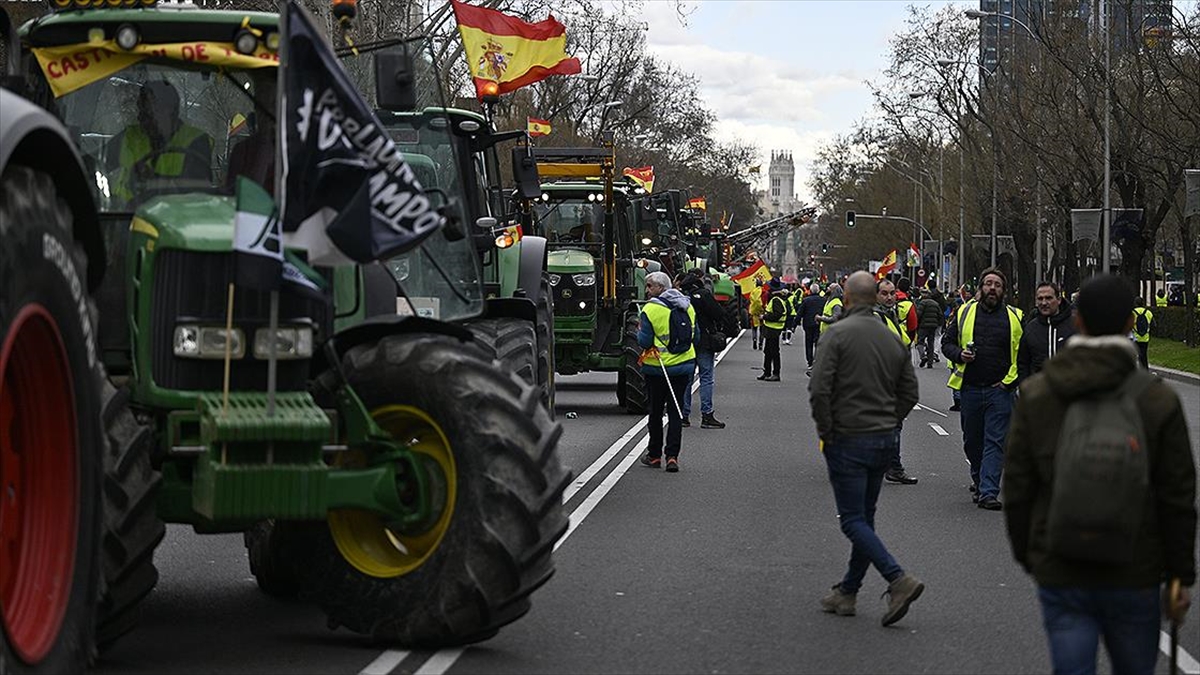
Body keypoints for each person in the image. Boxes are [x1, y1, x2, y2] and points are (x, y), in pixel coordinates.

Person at [1003, 274, 1196, 675]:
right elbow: (1177, 495)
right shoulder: (1157, 399)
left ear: (1078, 321)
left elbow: (1019, 487)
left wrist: (1031, 554)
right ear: (1131, 323)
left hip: (1062, 565)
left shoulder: (1039, 395)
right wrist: (1180, 574)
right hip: (1135, 567)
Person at [809, 271, 924, 626]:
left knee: (852, 520)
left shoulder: (837, 334)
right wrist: (891, 420)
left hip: (848, 437)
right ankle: (848, 591)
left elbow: (819, 389)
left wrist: (827, 430)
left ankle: (897, 578)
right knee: (865, 517)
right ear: (875, 298)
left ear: (846, 298)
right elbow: (910, 393)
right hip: (883, 439)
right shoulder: (893, 338)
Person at [941, 268, 1023, 511]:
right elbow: (946, 343)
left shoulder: (1015, 317)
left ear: (1003, 291)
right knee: (972, 441)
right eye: (988, 283)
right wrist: (959, 355)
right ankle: (979, 480)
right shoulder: (964, 312)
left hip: (1000, 391)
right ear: (981, 288)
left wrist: (1008, 382)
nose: (992, 288)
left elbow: (1022, 354)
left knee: (995, 441)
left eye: (997, 285)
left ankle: (988, 492)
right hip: (971, 389)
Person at [108, 80, 213, 205]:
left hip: (171, 215)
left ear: (169, 110)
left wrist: (153, 182)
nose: (140, 117)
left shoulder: (195, 141)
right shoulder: (130, 137)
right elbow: (95, 162)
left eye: (148, 111)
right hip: (120, 214)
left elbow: (197, 191)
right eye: (140, 110)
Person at [637, 271, 697, 473]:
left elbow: (644, 341)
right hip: (683, 368)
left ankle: (654, 455)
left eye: (650, 286)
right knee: (675, 413)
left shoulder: (650, 309)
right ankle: (672, 456)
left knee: (655, 413)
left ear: (661, 288)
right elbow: (695, 336)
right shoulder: (687, 306)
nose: (647, 290)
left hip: (658, 369)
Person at [873, 279, 919, 485]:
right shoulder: (874, 317)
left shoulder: (889, 314)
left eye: (892, 293)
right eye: (884, 293)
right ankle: (893, 467)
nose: (890, 297)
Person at [678, 271, 729, 429]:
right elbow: (719, 313)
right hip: (705, 341)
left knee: (686, 379)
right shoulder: (704, 295)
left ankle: (683, 416)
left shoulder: (680, 298)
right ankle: (707, 415)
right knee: (706, 377)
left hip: (686, 342)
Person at [1017, 281, 1076, 380]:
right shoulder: (1030, 329)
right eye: (1040, 299)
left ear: (1059, 300)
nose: (1044, 303)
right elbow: (1023, 363)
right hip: (1040, 387)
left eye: (1048, 298)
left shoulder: (1075, 325)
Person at [758, 279, 787, 382]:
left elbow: (777, 314)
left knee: (774, 352)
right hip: (771, 329)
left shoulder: (776, 300)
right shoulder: (777, 299)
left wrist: (764, 316)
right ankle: (767, 372)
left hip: (773, 329)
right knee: (768, 351)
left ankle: (775, 373)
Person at [799, 282, 826, 371]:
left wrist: (794, 325)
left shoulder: (806, 300)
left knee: (809, 344)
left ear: (810, 291)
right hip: (818, 323)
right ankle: (817, 360)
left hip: (808, 324)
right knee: (818, 343)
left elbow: (800, 313)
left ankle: (810, 362)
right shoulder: (823, 300)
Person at [915, 288, 942, 368]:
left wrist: (917, 323)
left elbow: (918, 314)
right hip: (933, 326)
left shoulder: (922, 303)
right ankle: (930, 362)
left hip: (923, 326)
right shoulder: (935, 303)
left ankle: (923, 356)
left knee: (920, 341)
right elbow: (940, 315)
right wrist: (937, 323)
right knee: (931, 343)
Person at [1131, 298, 1153, 369]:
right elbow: (1153, 324)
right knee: (1144, 355)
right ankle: (1145, 369)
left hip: (1135, 337)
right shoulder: (1148, 312)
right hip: (1145, 338)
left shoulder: (1133, 313)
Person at [749, 278, 765, 350]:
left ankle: (754, 340)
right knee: (762, 329)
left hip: (753, 312)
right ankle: (761, 344)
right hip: (762, 312)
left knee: (754, 328)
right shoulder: (764, 292)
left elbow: (751, 301)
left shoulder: (753, 292)